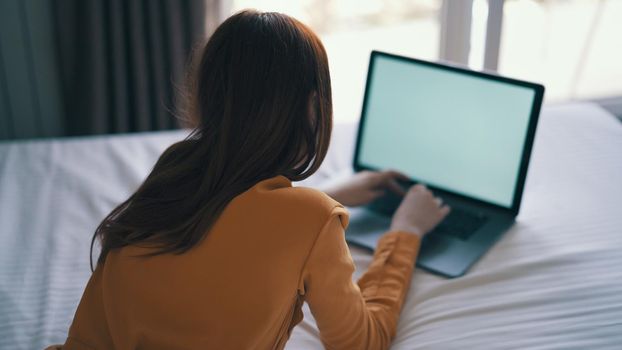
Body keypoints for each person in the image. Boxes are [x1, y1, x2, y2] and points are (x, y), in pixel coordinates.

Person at [50, 10, 449, 350]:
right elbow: (360, 341)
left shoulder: (172, 173)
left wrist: (332, 196)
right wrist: (406, 231)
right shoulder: (313, 220)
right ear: (312, 108)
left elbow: (236, 226)